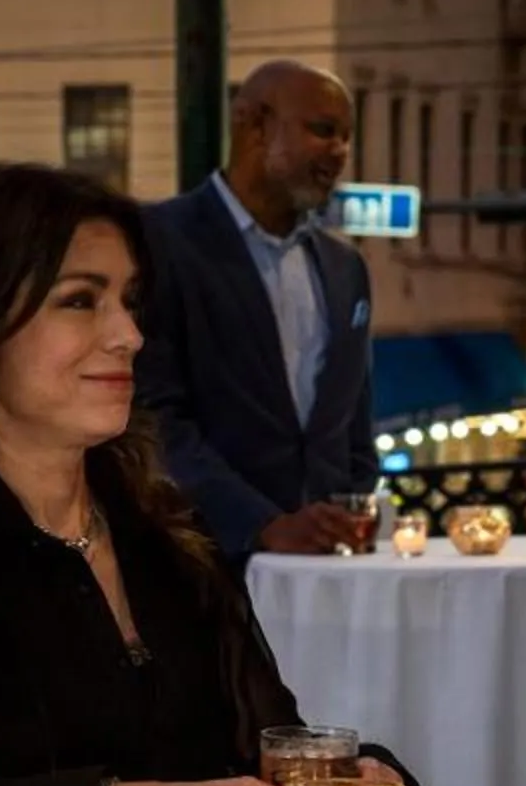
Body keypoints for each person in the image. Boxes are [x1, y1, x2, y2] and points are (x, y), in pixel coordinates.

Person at [0, 161, 420, 786]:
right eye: (81, 301)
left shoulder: (162, 524)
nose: (130, 335)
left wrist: (366, 781)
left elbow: (265, 747)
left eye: (132, 303)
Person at [133, 62, 375, 569]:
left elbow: (351, 418)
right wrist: (259, 525)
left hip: (329, 574)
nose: (340, 152)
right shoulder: (159, 241)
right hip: (202, 570)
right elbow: (153, 419)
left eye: (346, 137)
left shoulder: (345, 267)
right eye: (323, 130)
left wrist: (349, 506)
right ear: (255, 125)